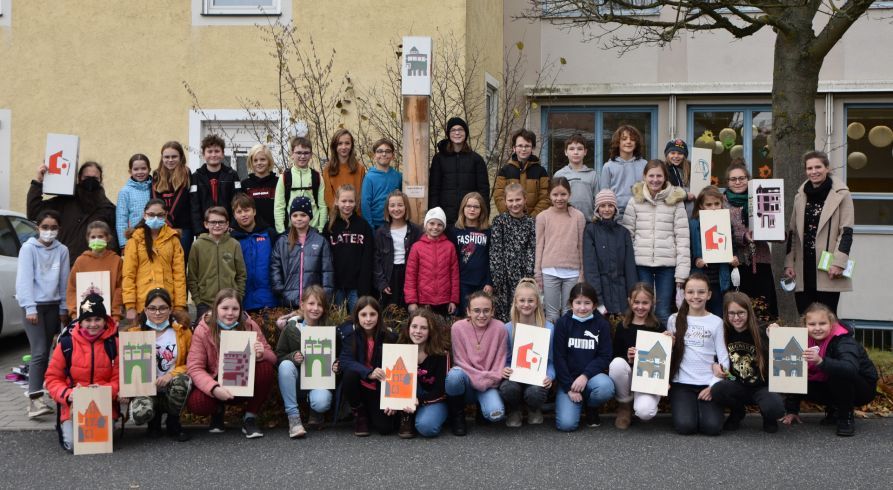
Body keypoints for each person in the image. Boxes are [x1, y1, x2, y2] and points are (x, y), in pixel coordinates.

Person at [186, 289, 276, 438]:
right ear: (216, 309)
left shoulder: (249, 325)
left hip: (242, 379)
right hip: (216, 381)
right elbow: (194, 367)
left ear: (240, 310)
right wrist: (213, 388)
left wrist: (261, 354)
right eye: (225, 308)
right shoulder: (203, 329)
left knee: (266, 367)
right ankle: (217, 412)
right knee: (197, 403)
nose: (230, 313)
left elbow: (273, 358)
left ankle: (250, 418)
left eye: (235, 309)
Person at [781, 303, 878, 436]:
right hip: (830, 383)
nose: (817, 328)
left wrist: (821, 361)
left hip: (862, 388)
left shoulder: (843, 340)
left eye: (822, 323)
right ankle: (834, 408)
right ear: (805, 324)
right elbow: (792, 368)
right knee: (791, 365)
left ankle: (845, 418)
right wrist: (792, 410)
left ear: (831, 323)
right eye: (812, 324)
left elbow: (850, 369)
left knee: (839, 372)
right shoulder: (801, 338)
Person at [45, 294, 119, 452]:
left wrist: (106, 391)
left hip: (104, 403)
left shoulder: (114, 343)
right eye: (88, 320)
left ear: (105, 320)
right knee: (74, 445)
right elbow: (52, 379)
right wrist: (68, 394)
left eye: (98, 319)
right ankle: (65, 423)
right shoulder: (66, 344)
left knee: (100, 442)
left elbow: (118, 378)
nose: (93, 324)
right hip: (72, 403)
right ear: (81, 321)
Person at [622, 159, 690, 327]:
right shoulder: (635, 201)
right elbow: (627, 236)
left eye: (659, 176)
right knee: (643, 309)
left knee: (662, 311)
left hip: (666, 265)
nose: (655, 180)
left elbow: (682, 237)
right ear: (644, 177)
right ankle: (644, 350)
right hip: (641, 263)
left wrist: (682, 273)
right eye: (651, 175)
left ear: (665, 177)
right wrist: (628, 266)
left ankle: (669, 350)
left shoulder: (675, 201)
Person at [15, 210, 70, 419]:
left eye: (54, 228)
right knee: (38, 353)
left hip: (54, 306)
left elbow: (64, 280)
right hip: (34, 307)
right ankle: (34, 401)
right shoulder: (28, 249)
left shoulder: (62, 250)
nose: (49, 231)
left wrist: (64, 308)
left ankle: (55, 394)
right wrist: (30, 307)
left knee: (52, 352)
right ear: (38, 227)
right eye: (45, 227)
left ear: (59, 229)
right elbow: (24, 280)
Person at [785, 150, 854, 314]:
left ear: (827, 168)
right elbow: (792, 233)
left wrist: (839, 262)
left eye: (818, 167)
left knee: (827, 319)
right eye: (809, 168)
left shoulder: (842, 195)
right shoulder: (799, 196)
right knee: (805, 318)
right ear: (805, 171)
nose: (814, 171)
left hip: (827, 268)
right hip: (803, 268)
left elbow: (846, 232)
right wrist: (789, 263)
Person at [710, 291, 784, 433]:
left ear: (749, 311)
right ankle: (737, 412)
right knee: (718, 390)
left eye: (741, 313)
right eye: (731, 313)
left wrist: (777, 335)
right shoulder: (724, 331)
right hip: (736, 383)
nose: (736, 317)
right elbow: (715, 353)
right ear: (726, 313)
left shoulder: (762, 330)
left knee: (775, 409)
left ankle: (768, 417)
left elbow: (783, 352)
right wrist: (714, 364)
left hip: (762, 386)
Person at [125, 288, 192, 442]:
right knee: (138, 414)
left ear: (170, 309)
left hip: (172, 386)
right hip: (147, 388)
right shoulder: (134, 334)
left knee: (183, 381)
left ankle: (173, 421)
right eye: (152, 308)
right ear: (145, 310)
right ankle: (153, 422)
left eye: (162, 308)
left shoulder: (182, 332)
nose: (157, 313)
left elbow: (192, 363)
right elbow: (125, 368)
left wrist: (170, 375)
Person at [666, 273, 729, 436]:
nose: (695, 296)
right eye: (690, 292)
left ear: (709, 294)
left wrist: (713, 385)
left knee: (712, 428)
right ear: (684, 294)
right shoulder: (674, 319)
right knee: (686, 427)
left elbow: (724, 359)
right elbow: (666, 354)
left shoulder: (716, 322)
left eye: (701, 292)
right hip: (681, 384)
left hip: (707, 383)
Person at [276, 285, 338, 438]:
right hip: (296, 381)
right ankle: (294, 418)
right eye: (311, 303)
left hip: (319, 381)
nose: (315, 308)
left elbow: (337, 357)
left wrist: (337, 365)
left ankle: (315, 411)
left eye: (319, 304)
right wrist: (292, 357)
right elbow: (279, 356)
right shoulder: (291, 328)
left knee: (322, 402)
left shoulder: (330, 329)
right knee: (285, 365)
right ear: (302, 304)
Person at [552, 282, 615, 432]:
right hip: (569, 381)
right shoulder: (562, 324)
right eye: (578, 302)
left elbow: (605, 356)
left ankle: (591, 406)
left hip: (591, 378)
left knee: (606, 387)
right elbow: (559, 358)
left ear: (594, 305)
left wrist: (585, 376)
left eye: (587, 303)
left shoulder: (602, 324)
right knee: (566, 425)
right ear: (570, 303)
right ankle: (574, 403)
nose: (582, 307)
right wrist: (569, 388)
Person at [28, 160, 117, 264]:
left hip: (95, 268)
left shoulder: (108, 209)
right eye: (87, 178)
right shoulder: (64, 201)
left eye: (95, 178)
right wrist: (38, 182)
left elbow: (114, 243)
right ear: (79, 179)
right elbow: (33, 212)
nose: (91, 182)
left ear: (100, 180)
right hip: (65, 265)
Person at [445, 291, 508, 435]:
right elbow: (460, 362)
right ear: (468, 311)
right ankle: (458, 416)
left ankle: (482, 409)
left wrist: (487, 379)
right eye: (476, 311)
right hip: (467, 381)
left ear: (493, 311)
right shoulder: (458, 328)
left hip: (489, 384)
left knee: (496, 414)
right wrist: (482, 379)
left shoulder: (500, 328)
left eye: (486, 311)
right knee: (454, 376)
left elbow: (500, 362)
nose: (481, 315)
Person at [608, 283, 666, 429]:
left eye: (645, 303)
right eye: (636, 302)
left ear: (652, 303)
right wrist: (628, 358)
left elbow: (663, 361)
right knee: (617, 364)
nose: (640, 307)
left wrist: (669, 343)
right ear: (630, 301)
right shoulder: (623, 326)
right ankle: (624, 405)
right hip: (628, 375)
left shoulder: (658, 327)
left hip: (648, 378)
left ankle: (640, 403)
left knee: (645, 412)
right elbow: (616, 356)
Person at [122, 199, 188, 327]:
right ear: (144, 215)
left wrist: (179, 306)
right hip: (142, 304)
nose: (155, 218)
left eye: (160, 215)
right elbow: (128, 275)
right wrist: (130, 306)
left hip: (167, 304)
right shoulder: (134, 240)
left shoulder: (173, 240)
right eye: (151, 215)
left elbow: (179, 276)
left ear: (166, 215)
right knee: (144, 344)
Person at [339, 296, 398, 436]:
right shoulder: (349, 334)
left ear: (379, 315)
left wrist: (394, 400)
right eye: (363, 314)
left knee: (385, 428)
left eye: (372, 314)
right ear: (357, 316)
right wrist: (368, 372)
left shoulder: (389, 336)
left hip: (377, 388)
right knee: (349, 374)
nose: (368, 319)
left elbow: (396, 367)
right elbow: (345, 360)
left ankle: (370, 412)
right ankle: (359, 412)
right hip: (358, 385)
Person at [725, 161, 778, 318]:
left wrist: (777, 232)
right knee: (738, 309)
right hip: (735, 263)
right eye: (733, 179)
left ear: (748, 179)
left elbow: (774, 224)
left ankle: (762, 340)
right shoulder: (720, 202)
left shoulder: (762, 197)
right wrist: (743, 236)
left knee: (763, 307)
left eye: (742, 178)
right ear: (727, 182)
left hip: (760, 261)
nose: (738, 182)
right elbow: (719, 232)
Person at [499, 278, 554, 427]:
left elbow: (551, 360)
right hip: (515, 376)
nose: (526, 304)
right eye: (522, 300)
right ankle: (514, 409)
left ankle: (533, 409)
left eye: (530, 300)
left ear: (537, 303)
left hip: (536, 377)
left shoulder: (548, 328)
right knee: (507, 388)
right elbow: (505, 358)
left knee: (535, 392)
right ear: (515, 303)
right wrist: (504, 368)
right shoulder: (507, 329)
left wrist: (550, 375)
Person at [388, 308, 450, 438]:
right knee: (385, 422)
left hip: (434, 400)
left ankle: (436, 415)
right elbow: (393, 382)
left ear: (430, 331)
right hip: (409, 398)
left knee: (426, 427)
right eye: (414, 326)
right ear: (408, 328)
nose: (417, 331)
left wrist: (419, 400)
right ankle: (406, 416)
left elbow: (441, 390)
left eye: (423, 328)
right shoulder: (399, 350)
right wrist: (393, 401)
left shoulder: (440, 354)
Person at [535, 177, 586, 323]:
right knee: (551, 314)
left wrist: (582, 272)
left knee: (569, 312)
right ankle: (553, 345)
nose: (559, 198)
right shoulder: (543, 217)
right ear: (549, 195)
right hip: (549, 271)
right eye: (555, 195)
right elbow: (539, 245)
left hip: (572, 272)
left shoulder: (578, 216)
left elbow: (581, 246)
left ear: (569, 194)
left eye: (563, 194)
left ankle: (566, 344)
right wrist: (537, 273)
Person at [271, 196, 334, 308]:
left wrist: (325, 297)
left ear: (310, 216)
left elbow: (327, 271)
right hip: (289, 300)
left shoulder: (320, 241)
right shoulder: (282, 241)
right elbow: (275, 266)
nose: (299, 218)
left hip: (313, 302)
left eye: (303, 215)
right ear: (290, 217)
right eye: (295, 215)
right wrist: (280, 289)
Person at [582, 189, 637, 317]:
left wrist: (632, 297)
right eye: (602, 206)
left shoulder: (623, 233)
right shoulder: (591, 231)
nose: (606, 209)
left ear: (615, 208)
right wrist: (598, 300)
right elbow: (591, 268)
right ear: (597, 209)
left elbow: (630, 268)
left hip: (622, 295)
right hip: (601, 294)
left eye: (610, 205)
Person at [187, 206, 247, 322]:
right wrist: (198, 301)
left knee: (230, 337)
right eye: (213, 222)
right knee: (205, 336)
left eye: (221, 222)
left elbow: (241, 274)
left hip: (230, 302)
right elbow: (192, 277)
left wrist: (238, 296)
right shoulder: (197, 245)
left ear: (227, 224)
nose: (217, 225)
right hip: (205, 303)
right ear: (206, 224)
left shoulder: (234, 244)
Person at [428, 117, 489, 225]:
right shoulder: (439, 159)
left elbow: (483, 190)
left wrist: (484, 214)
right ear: (448, 134)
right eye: (453, 130)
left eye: (460, 129)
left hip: (469, 217)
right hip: (445, 216)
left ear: (466, 133)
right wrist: (434, 213)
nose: (457, 133)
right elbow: (434, 189)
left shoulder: (476, 160)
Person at [489, 183, 536, 322]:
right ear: (505, 201)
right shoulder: (499, 221)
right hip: (503, 278)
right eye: (510, 200)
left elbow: (532, 249)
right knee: (504, 314)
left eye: (518, 200)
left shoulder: (531, 223)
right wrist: (498, 276)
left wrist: (528, 275)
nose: (514, 204)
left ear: (525, 199)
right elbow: (495, 250)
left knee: (523, 310)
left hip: (523, 276)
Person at [325, 184, 374, 313]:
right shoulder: (329, 227)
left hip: (357, 286)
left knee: (357, 321)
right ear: (336, 201)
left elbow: (368, 257)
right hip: (337, 285)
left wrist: (364, 286)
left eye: (351, 201)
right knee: (338, 322)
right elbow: (326, 259)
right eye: (344, 201)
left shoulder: (363, 226)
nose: (347, 204)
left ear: (356, 202)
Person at [690, 186, 738, 316]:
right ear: (701, 205)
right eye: (709, 204)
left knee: (718, 315)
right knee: (698, 315)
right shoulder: (693, 224)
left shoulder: (726, 223)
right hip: (700, 278)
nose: (713, 208)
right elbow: (687, 250)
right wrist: (696, 260)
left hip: (720, 279)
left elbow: (733, 247)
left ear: (722, 203)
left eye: (717, 204)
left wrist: (734, 259)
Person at [404, 207, 459, 317]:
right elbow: (410, 276)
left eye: (439, 224)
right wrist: (412, 301)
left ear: (444, 227)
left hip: (444, 301)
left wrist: (454, 300)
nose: (435, 227)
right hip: (423, 301)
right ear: (425, 225)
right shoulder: (417, 247)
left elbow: (454, 275)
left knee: (441, 331)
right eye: (432, 223)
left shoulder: (450, 247)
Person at [66, 221, 124, 324]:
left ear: (108, 238)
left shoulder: (116, 260)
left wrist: (116, 315)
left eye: (100, 236)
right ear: (88, 239)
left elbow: (119, 289)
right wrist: (74, 314)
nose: (96, 240)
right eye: (93, 237)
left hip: (108, 317)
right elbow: (72, 289)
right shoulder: (80, 261)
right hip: (85, 318)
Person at [373, 190, 422, 309]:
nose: (396, 209)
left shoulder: (415, 230)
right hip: (389, 275)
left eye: (400, 205)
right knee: (391, 311)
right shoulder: (381, 232)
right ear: (387, 208)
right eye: (392, 205)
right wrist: (382, 283)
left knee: (408, 309)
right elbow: (376, 260)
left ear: (406, 207)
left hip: (408, 274)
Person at [230, 193, 279, 312]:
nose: (243, 215)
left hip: (269, 300)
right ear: (234, 216)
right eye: (239, 212)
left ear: (254, 211)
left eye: (247, 210)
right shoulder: (231, 239)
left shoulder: (270, 234)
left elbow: (278, 265)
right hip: (242, 301)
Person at [449, 192, 492, 312]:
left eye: (476, 207)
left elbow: (491, 259)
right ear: (463, 208)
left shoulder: (488, 231)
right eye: (468, 206)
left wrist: (489, 282)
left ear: (482, 210)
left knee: (481, 314)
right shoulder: (455, 231)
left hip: (482, 283)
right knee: (465, 316)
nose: (472, 209)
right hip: (462, 282)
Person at [152, 141, 194, 265]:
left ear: (181, 157)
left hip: (182, 227)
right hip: (160, 225)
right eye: (166, 157)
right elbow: (155, 198)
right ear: (162, 158)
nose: (170, 160)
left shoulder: (186, 173)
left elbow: (180, 198)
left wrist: (167, 220)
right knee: (162, 262)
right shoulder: (156, 174)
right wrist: (161, 220)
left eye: (174, 156)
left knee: (179, 263)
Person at [190, 134, 242, 235]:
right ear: (203, 154)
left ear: (223, 154)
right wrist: (199, 231)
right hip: (205, 231)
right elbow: (194, 206)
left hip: (227, 230)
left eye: (217, 151)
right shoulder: (196, 177)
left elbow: (237, 202)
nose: (213, 155)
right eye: (209, 151)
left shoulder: (232, 175)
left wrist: (232, 226)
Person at [492, 128, 550, 217]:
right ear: (514, 148)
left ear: (532, 148)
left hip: (534, 223)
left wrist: (531, 219)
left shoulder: (541, 172)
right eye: (520, 145)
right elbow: (499, 196)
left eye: (527, 146)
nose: (523, 149)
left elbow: (545, 198)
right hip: (510, 222)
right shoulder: (505, 171)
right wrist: (510, 217)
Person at [274, 136, 327, 233]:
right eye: (298, 152)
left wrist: (321, 229)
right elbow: (279, 207)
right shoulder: (284, 177)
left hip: (313, 229)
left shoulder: (317, 177)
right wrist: (281, 232)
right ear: (292, 154)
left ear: (311, 155)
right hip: (291, 231)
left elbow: (322, 205)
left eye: (306, 153)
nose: (302, 156)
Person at [599, 125, 648, 219]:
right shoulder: (608, 166)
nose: (628, 142)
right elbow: (604, 194)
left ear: (636, 143)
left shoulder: (644, 164)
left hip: (639, 214)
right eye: (624, 139)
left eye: (632, 139)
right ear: (618, 142)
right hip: (615, 215)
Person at [554, 133, 599, 220]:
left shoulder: (592, 175)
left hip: (588, 222)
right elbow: (554, 199)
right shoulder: (559, 175)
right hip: (565, 221)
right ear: (565, 152)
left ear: (585, 152)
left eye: (579, 149)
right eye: (571, 149)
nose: (576, 152)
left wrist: (596, 217)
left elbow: (597, 200)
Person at [361, 138, 402, 230]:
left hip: (394, 223)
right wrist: (370, 227)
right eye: (379, 151)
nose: (384, 154)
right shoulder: (369, 177)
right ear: (374, 155)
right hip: (376, 225)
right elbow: (365, 204)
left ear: (393, 155)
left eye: (388, 151)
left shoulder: (398, 176)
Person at [324, 129, 366, 214]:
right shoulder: (328, 169)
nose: (344, 147)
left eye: (347, 143)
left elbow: (362, 195)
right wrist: (339, 213)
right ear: (334, 146)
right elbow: (328, 197)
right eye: (340, 143)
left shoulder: (360, 169)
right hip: (336, 217)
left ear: (351, 146)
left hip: (356, 215)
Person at [115, 153, 152, 249]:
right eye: (136, 169)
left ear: (149, 169)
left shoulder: (155, 188)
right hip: (134, 238)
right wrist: (124, 244)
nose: (140, 172)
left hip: (154, 236)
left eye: (143, 168)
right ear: (130, 171)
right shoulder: (125, 192)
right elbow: (121, 220)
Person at [240, 144, 279, 228]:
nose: (259, 163)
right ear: (251, 162)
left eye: (262, 159)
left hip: (275, 232)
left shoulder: (278, 182)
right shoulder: (245, 184)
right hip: (252, 233)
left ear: (269, 161)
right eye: (255, 160)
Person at [664, 138, 695, 213]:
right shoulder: (664, 170)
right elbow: (665, 193)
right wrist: (685, 195)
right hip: (672, 213)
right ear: (667, 154)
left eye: (680, 153)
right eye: (673, 153)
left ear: (684, 155)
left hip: (691, 213)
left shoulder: (692, 169)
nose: (676, 156)